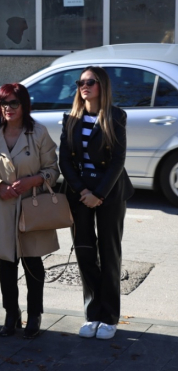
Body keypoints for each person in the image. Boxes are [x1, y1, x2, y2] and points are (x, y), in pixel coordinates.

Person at [0, 83, 59, 339]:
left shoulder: (39, 133)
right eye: (3, 103)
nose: (8, 108)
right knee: (6, 264)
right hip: (1, 209)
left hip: (31, 208)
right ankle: (11, 314)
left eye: (14, 103)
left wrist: (32, 181)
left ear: (24, 105)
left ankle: (34, 315)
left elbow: (53, 171)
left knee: (33, 263)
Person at [59, 66, 134, 340]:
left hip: (110, 193)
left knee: (109, 253)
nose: (84, 86)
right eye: (81, 82)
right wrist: (82, 191)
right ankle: (92, 314)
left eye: (91, 82)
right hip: (79, 195)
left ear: (102, 85)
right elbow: (64, 160)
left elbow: (117, 161)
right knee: (85, 253)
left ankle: (109, 317)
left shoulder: (115, 117)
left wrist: (98, 194)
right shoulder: (70, 119)